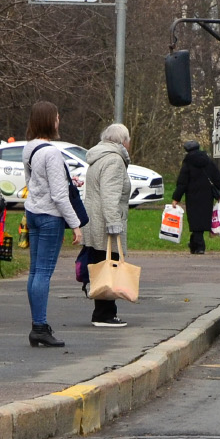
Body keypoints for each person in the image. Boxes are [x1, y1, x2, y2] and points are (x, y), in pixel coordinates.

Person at [23, 101, 82, 348]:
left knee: (35, 271)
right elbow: (59, 195)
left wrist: (69, 180)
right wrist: (76, 224)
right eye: (57, 117)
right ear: (50, 121)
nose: (59, 121)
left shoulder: (29, 148)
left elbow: (32, 181)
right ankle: (39, 326)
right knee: (44, 274)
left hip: (33, 213)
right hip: (49, 217)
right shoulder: (52, 152)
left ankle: (38, 325)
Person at [78, 124, 132, 328]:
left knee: (101, 264)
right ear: (122, 141)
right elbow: (110, 195)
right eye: (128, 139)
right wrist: (114, 223)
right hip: (105, 222)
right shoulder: (114, 160)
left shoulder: (98, 157)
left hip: (94, 219)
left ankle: (102, 311)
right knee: (110, 266)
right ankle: (105, 314)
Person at [172, 140, 220, 256]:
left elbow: (182, 183)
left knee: (195, 220)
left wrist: (176, 198)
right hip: (207, 195)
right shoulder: (208, 161)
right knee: (203, 219)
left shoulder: (187, 163)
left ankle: (199, 246)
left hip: (192, 196)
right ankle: (194, 245)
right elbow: (216, 177)